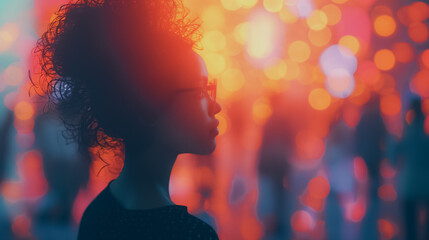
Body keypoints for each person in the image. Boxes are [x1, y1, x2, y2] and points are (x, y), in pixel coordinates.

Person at [31, 0, 222, 239]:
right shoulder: (191, 233)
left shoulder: (95, 214)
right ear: (148, 104)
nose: (216, 106)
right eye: (201, 91)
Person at [392, 98, 429, 240]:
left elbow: (392, 160)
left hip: (408, 185)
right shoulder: (425, 138)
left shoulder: (404, 137)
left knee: (410, 229)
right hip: (426, 185)